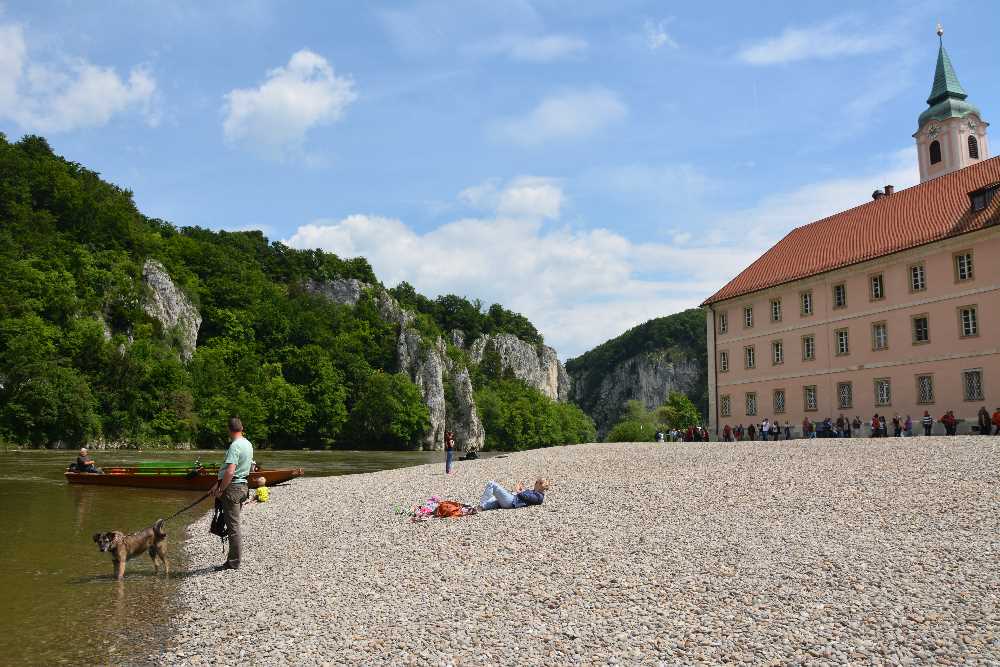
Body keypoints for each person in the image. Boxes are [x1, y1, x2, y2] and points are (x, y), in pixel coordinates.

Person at [209, 417, 254, 571]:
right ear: (241, 428)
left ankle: (233, 562)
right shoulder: (248, 444)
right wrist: (217, 485)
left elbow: (230, 471)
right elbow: (247, 468)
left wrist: (221, 489)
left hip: (233, 488)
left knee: (233, 527)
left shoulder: (235, 446)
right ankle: (233, 560)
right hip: (242, 486)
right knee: (233, 525)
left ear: (229, 430)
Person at [479, 478, 549, 511]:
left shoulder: (539, 497)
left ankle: (482, 503)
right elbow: (527, 497)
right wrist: (522, 490)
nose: (535, 482)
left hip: (511, 501)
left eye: (537, 482)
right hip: (511, 499)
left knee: (492, 484)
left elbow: (527, 497)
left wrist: (518, 490)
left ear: (540, 485)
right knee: (492, 499)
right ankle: (479, 508)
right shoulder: (536, 493)